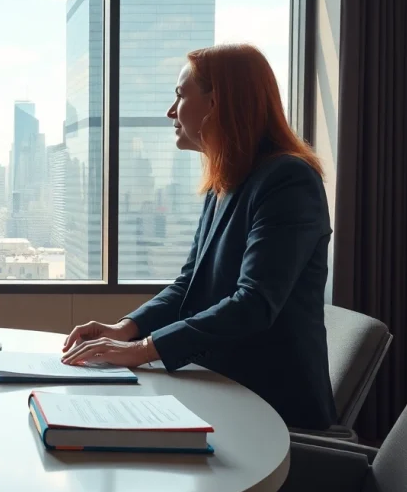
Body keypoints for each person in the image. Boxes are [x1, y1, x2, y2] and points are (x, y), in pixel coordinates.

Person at [62, 43, 336, 431]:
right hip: (221, 389)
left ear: (216, 102)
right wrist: (125, 329)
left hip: (271, 410)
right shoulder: (224, 184)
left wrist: (142, 350)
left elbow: (253, 303)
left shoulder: (288, 181)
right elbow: (189, 284)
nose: (170, 111)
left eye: (180, 95)